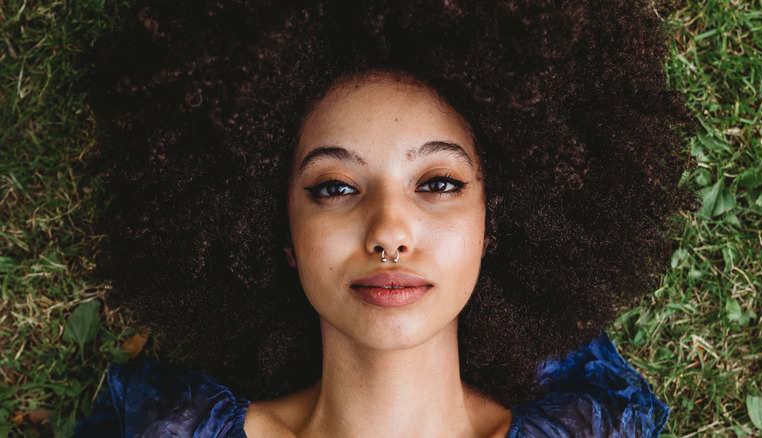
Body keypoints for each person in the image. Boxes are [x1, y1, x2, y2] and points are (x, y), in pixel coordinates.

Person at [75, 0, 695, 436]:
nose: (389, 232)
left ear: (493, 225)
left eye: (439, 183)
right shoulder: (168, 430)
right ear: (279, 233)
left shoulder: (594, 431)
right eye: (336, 187)